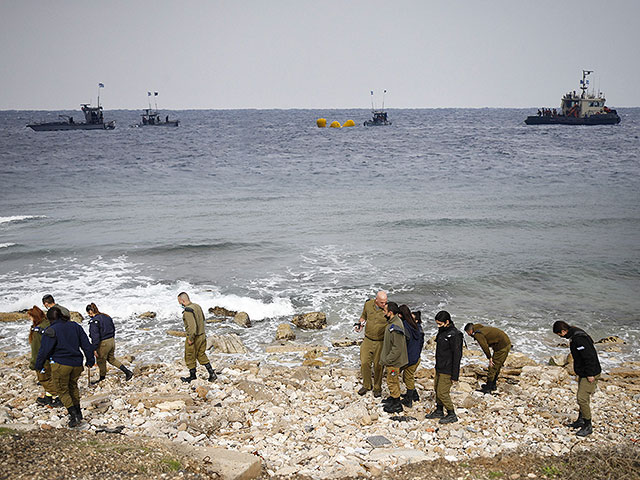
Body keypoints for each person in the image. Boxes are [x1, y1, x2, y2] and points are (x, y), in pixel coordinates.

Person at [35, 306, 95, 427]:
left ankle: (74, 416)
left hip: (61, 364)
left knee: (62, 390)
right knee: (73, 387)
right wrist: (90, 359)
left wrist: (39, 365)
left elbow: (44, 351)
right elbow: (86, 345)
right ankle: (78, 413)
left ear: (49, 318)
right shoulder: (75, 326)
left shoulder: (51, 330)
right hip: (77, 364)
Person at [553, 320, 601, 437]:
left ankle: (588, 426)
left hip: (590, 373)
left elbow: (589, 357)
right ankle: (581, 420)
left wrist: (590, 374)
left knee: (582, 399)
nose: (560, 337)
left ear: (564, 331)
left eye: (559, 334)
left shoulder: (579, 339)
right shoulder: (575, 333)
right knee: (583, 397)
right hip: (584, 372)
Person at [426, 311, 463, 424]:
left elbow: (457, 356)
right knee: (437, 388)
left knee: (442, 392)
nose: (438, 326)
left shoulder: (455, 335)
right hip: (440, 366)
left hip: (448, 369)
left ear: (447, 322)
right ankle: (439, 410)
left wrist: (455, 375)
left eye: (440, 324)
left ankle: (451, 413)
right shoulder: (442, 331)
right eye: (437, 324)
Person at [86, 303, 133, 384]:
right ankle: (127, 372)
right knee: (111, 359)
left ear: (90, 311)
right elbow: (113, 329)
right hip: (111, 341)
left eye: (88, 313)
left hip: (103, 343)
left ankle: (102, 378)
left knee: (101, 360)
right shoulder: (106, 317)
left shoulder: (94, 321)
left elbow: (95, 337)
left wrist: (94, 348)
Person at [354, 291, 388, 397]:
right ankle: (367, 385)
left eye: (385, 302)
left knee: (378, 365)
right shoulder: (368, 304)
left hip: (381, 341)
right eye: (382, 302)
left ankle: (377, 387)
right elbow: (363, 316)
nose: (384, 304)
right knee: (364, 362)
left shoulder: (388, 309)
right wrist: (360, 325)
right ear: (376, 300)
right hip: (368, 339)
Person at [178, 292, 216, 382]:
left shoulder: (188, 311)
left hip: (195, 336)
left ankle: (192, 376)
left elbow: (192, 327)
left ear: (182, 300)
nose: (179, 303)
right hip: (202, 335)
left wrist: (191, 338)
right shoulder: (197, 306)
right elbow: (203, 319)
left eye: (179, 301)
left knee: (190, 355)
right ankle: (212, 373)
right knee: (201, 354)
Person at [27, 306, 62, 407]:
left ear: (34, 317)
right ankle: (48, 397)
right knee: (52, 378)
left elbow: (36, 349)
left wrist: (34, 364)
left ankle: (61, 396)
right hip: (54, 357)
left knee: (44, 379)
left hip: (44, 359)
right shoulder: (49, 324)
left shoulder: (37, 330)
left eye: (30, 317)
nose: (29, 320)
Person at [379, 302, 409, 414]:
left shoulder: (395, 326)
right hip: (393, 361)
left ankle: (397, 404)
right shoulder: (393, 322)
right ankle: (393, 397)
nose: (383, 312)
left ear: (390, 313)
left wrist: (387, 360)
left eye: (384, 311)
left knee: (392, 381)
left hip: (393, 362)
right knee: (392, 380)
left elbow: (397, 348)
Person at [464, 322, 511, 393]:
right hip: (504, 343)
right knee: (497, 365)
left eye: (467, 333)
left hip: (502, 347)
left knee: (493, 366)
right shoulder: (480, 328)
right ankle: (493, 385)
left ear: (470, 331)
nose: (468, 335)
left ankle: (488, 388)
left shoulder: (478, 334)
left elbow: (484, 346)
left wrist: (489, 357)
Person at [398, 307, 424, 408]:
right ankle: (414, 395)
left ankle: (409, 400)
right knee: (408, 377)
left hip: (411, 358)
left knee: (408, 377)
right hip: (415, 357)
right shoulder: (418, 330)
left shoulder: (410, 329)